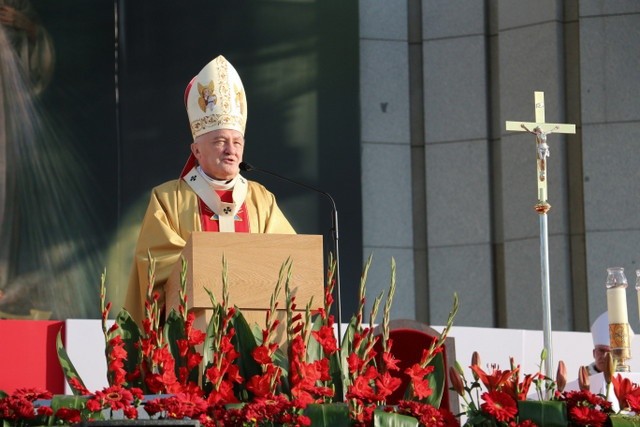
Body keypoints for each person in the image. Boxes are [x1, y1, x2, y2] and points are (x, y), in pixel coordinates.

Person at [124, 55, 295, 325]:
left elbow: (289, 261)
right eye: (220, 141)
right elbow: (154, 265)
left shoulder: (261, 199)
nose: (230, 150)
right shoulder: (169, 199)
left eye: (237, 142)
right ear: (196, 151)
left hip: (254, 343)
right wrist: (214, 267)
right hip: (192, 338)